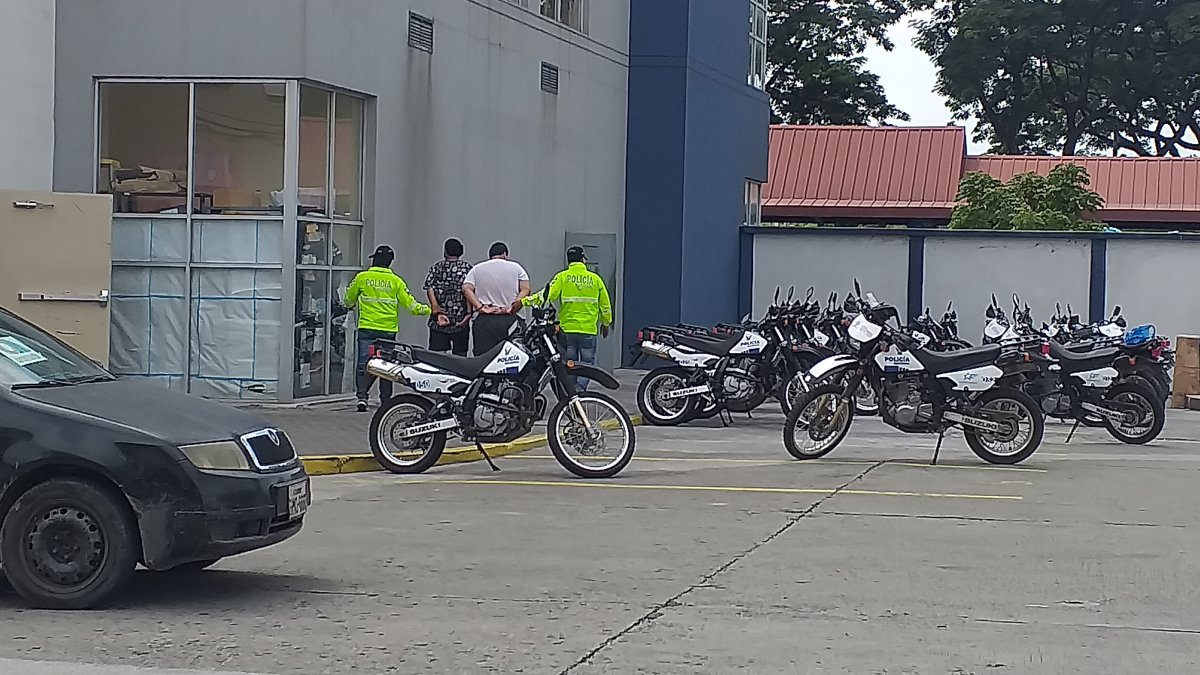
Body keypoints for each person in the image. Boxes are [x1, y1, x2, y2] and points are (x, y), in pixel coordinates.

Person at [345, 245, 431, 412]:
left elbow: (348, 299)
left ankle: (362, 397)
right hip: (387, 331)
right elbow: (412, 306)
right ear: (390, 262)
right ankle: (386, 401)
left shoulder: (362, 277)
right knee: (387, 365)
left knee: (364, 362)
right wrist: (430, 310)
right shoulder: (396, 281)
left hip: (367, 328)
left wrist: (348, 305)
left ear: (374, 260)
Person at [523, 246, 612, 389]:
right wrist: (606, 323)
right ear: (583, 259)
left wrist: (523, 301)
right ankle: (579, 391)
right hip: (588, 330)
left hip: (567, 330)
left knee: (569, 363)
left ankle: (570, 392)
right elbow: (605, 305)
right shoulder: (595, 280)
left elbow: (545, 296)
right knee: (587, 364)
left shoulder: (562, 277)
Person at [462, 242, 530, 355]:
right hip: (511, 318)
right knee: (514, 357)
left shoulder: (476, 269)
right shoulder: (517, 268)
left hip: (485, 320)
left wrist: (480, 307)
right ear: (505, 254)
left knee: (484, 358)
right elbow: (526, 289)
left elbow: (466, 288)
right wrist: (513, 306)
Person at [423, 238, 473, 356]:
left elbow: (429, 287)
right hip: (460, 320)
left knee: (437, 357)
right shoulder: (467, 268)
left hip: (439, 319)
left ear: (445, 251)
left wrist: (435, 307)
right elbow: (469, 291)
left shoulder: (437, 267)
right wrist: (469, 313)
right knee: (460, 357)